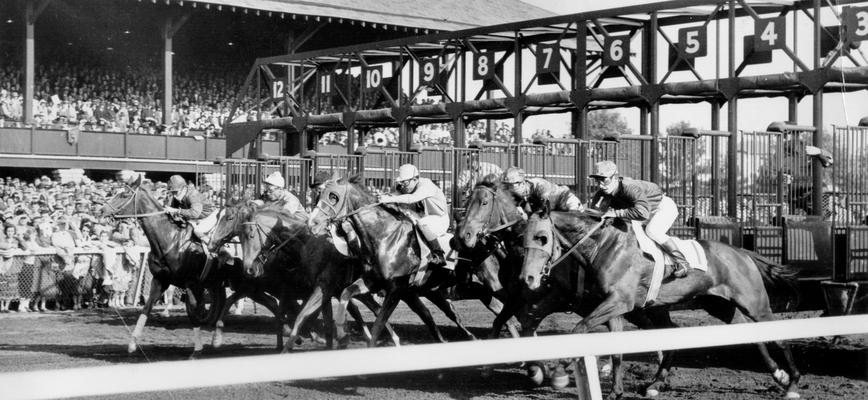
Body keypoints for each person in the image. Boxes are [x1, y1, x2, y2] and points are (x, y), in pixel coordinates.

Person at [588, 160, 689, 278]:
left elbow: (642, 213)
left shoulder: (629, 187)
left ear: (615, 177)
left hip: (661, 208)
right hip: (640, 211)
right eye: (597, 180)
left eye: (604, 179)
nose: (600, 184)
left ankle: (682, 262)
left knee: (652, 231)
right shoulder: (602, 193)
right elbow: (594, 214)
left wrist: (615, 213)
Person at [378, 164, 449, 268]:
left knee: (422, 223)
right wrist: (384, 197)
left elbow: (412, 198)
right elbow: (396, 195)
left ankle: (438, 254)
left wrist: (389, 199)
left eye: (405, 183)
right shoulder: (409, 186)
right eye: (401, 183)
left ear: (415, 179)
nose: (403, 186)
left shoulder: (426, 185)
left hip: (439, 220)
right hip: (424, 217)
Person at [501, 167, 583, 214]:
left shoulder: (539, 185)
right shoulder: (521, 194)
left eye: (510, 185)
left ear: (521, 183)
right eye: (506, 185)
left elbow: (544, 211)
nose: (508, 189)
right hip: (554, 211)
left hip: (567, 202)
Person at [163, 175, 217, 245]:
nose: (174, 196)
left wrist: (176, 211)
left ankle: (214, 247)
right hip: (198, 218)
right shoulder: (179, 196)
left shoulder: (193, 194)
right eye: (172, 193)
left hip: (209, 216)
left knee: (198, 231)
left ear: (183, 188)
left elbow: (195, 213)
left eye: (175, 192)